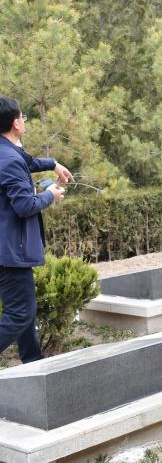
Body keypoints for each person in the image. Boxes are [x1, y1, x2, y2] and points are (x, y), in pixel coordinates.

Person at [0, 96, 73, 363]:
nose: (24, 120)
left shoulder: (7, 152)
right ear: (16, 123)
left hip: (6, 248)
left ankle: (32, 361)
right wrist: (50, 195)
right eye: (23, 116)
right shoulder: (9, 160)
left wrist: (52, 163)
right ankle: (32, 360)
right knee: (20, 313)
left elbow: (27, 162)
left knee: (22, 311)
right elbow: (24, 205)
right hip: (10, 252)